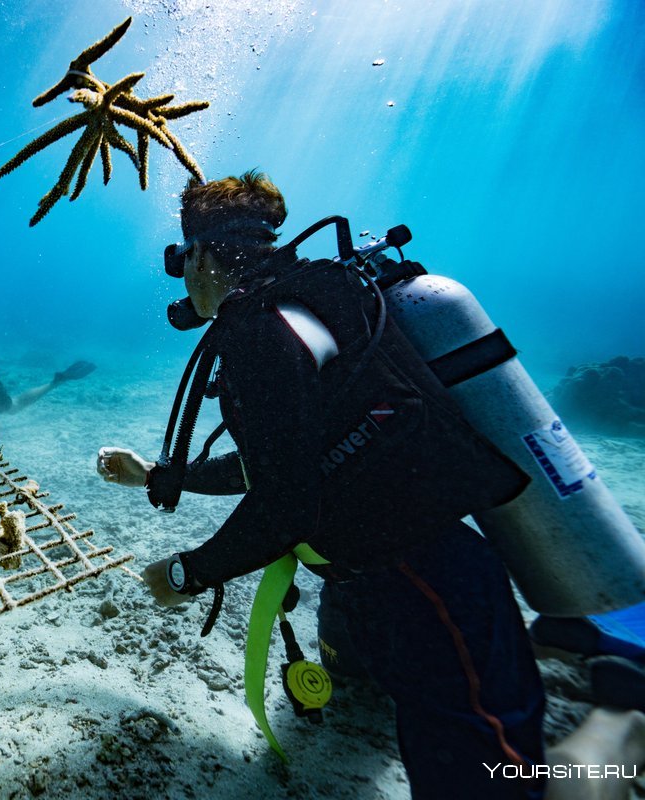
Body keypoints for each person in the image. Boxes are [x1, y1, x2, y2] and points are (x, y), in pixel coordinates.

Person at [96, 170, 548, 798]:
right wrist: (159, 475)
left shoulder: (259, 333)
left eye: (181, 260)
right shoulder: (307, 303)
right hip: (373, 581)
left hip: (424, 582)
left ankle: (610, 751)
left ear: (199, 256)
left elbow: (286, 502)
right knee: (388, 713)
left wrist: (187, 574)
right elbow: (286, 462)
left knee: (490, 778)